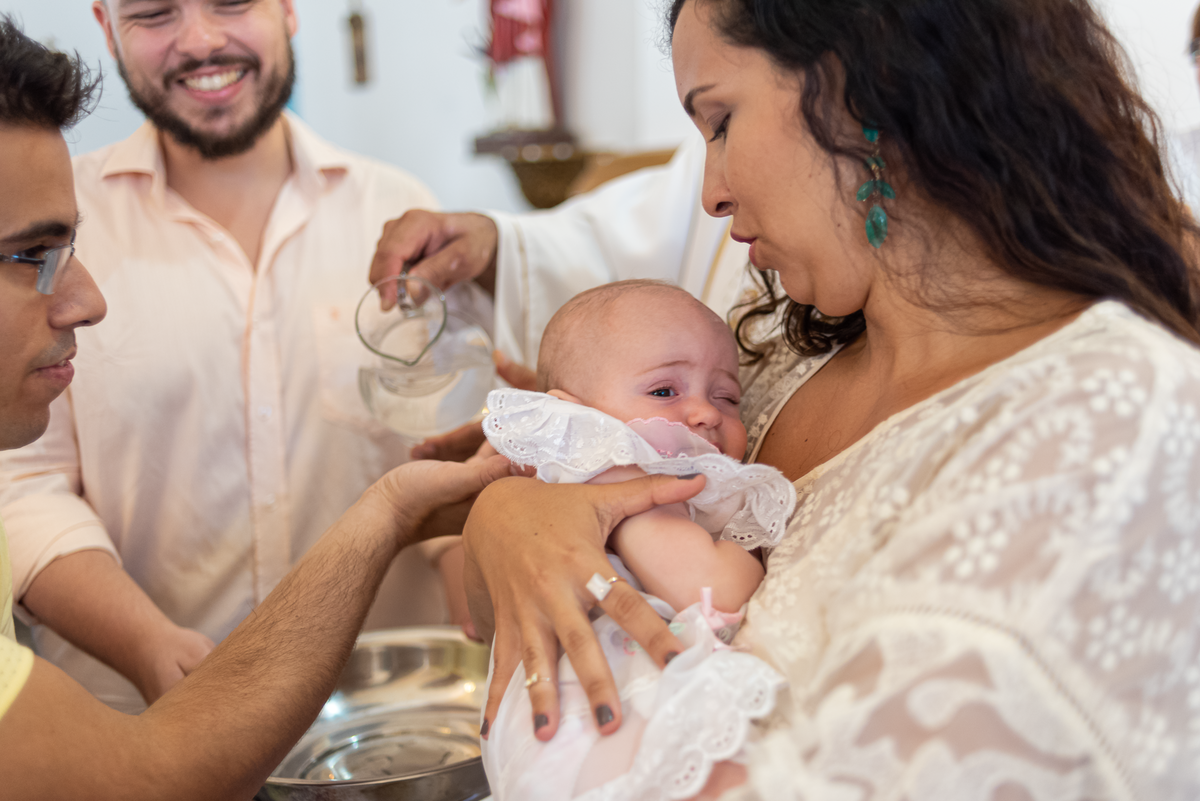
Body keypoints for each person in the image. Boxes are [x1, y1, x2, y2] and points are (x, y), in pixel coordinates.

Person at [460, 0, 1200, 799]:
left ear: (863, 86)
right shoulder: (771, 343)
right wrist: (507, 519)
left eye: (720, 120)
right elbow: (479, 597)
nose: (711, 193)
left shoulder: (1110, 420)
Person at [0, 18, 528, 799]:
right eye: (153, 12)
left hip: (382, 719)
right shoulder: (48, 204)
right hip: (117, 723)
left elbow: (442, 433)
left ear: (286, 7)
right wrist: (149, 646)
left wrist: (469, 554)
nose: (201, 37)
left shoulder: (399, 214)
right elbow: (21, 482)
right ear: (108, 22)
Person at [480, 280, 795, 800]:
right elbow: (712, 588)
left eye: (727, 396)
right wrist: (752, 545)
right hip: (607, 728)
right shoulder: (618, 472)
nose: (706, 413)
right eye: (665, 391)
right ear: (576, 416)